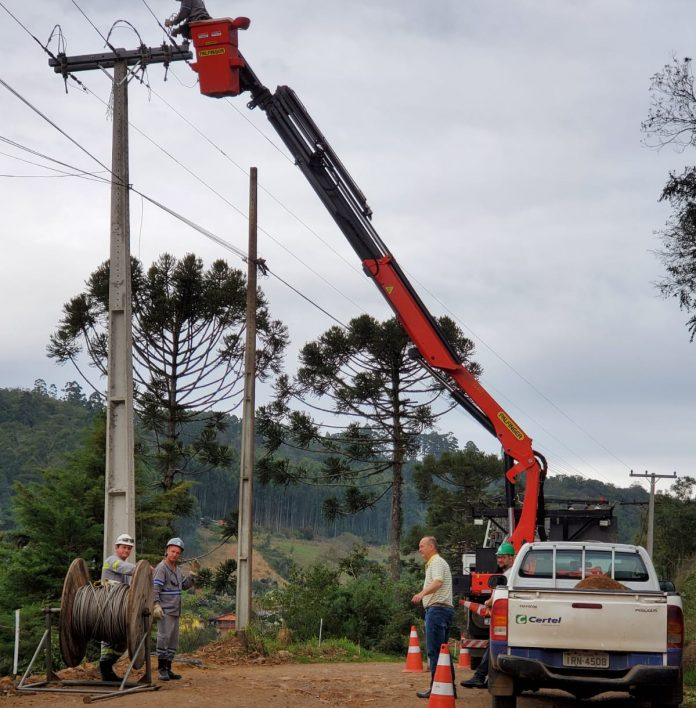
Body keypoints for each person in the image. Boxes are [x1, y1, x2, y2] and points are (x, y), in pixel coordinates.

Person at [460, 541, 516, 689]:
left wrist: (488, 602)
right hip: (510, 618)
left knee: (493, 645)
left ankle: (479, 676)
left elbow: (502, 593)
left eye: (503, 557)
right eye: (498, 557)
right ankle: (484, 677)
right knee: (491, 645)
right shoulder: (509, 573)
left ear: (512, 558)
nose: (499, 560)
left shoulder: (510, 574)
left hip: (508, 618)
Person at [411, 536, 455, 700]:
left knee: (435, 651)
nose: (420, 549)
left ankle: (436, 688)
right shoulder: (437, 562)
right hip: (443, 610)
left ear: (431, 547)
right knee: (443, 651)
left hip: (437, 610)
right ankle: (449, 688)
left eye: (422, 546)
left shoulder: (436, 562)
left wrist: (421, 594)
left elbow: (437, 582)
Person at [153, 537, 199, 681]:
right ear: (167, 551)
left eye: (177, 553)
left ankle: (168, 668)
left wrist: (192, 576)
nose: (174, 554)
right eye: (172, 551)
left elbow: (183, 586)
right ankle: (162, 670)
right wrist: (156, 604)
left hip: (175, 611)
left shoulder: (177, 570)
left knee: (172, 642)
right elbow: (155, 588)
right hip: (165, 610)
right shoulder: (162, 568)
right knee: (163, 639)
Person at [99, 533, 136, 682]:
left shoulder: (125, 570)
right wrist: (144, 568)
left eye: (129, 548)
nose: (126, 551)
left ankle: (107, 667)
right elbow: (124, 568)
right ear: (116, 548)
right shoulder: (112, 561)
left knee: (121, 639)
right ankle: (105, 669)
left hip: (119, 608)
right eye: (124, 548)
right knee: (108, 638)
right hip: (108, 606)